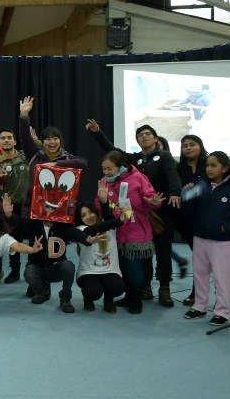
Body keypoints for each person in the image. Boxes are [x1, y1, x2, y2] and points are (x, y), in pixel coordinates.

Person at [85, 119, 181, 307]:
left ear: (156, 138)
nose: (143, 137)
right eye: (139, 135)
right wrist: (97, 133)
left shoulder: (163, 157)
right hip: (122, 225)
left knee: (161, 253)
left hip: (157, 214)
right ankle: (142, 289)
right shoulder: (132, 159)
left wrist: (173, 194)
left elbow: (172, 176)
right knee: (131, 262)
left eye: (147, 134)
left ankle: (163, 289)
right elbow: (111, 151)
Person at [95, 150, 164, 314]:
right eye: (103, 169)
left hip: (137, 231)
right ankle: (128, 295)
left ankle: (136, 298)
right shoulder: (104, 182)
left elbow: (152, 200)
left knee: (135, 268)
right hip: (116, 232)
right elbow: (98, 204)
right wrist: (106, 203)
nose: (106, 173)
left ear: (120, 166)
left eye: (109, 168)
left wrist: (154, 202)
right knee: (123, 267)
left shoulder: (137, 177)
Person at [182, 151, 230, 327]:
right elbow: (188, 211)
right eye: (207, 165)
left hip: (221, 240)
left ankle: (222, 311)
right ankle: (200, 306)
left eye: (214, 165)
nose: (209, 169)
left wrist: (225, 227)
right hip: (200, 236)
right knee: (199, 273)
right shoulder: (200, 186)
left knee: (221, 276)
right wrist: (186, 195)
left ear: (224, 168)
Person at [20, 96, 86, 219]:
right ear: (42, 141)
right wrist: (24, 116)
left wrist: (56, 165)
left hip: (60, 213)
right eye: (48, 139)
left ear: (60, 141)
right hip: (32, 210)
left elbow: (83, 163)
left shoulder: (67, 158)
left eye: (55, 138)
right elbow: (25, 138)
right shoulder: (34, 155)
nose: (52, 142)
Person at [74, 196, 125, 314]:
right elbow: (91, 231)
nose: (88, 216)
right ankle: (88, 298)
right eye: (83, 215)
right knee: (93, 292)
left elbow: (107, 217)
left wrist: (104, 201)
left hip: (110, 270)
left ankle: (109, 300)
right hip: (88, 272)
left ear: (96, 212)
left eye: (90, 212)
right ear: (80, 219)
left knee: (117, 287)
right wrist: (119, 220)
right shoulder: (80, 230)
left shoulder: (109, 227)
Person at [0, 128, 29, 284]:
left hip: (22, 206)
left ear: (14, 141)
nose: (6, 140)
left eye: (9, 137)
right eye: (3, 138)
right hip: (1, 205)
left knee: (16, 239)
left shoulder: (25, 157)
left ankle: (15, 271)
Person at [177, 134, 208, 305]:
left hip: (209, 219)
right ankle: (197, 293)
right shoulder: (178, 168)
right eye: (185, 145)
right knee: (198, 258)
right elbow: (174, 191)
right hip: (188, 220)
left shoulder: (210, 164)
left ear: (200, 145)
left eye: (192, 144)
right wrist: (183, 189)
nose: (188, 148)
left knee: (215, 260)